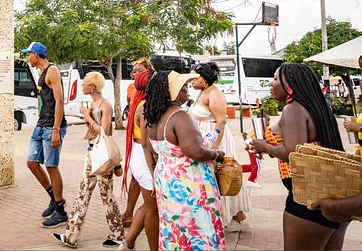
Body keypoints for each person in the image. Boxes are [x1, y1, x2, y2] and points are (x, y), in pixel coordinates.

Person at [248, 63, 349, 250]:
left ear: (290, 85)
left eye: (276, 78)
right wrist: (268, 144)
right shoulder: (317, 108)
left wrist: (263, 145)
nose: (272, 84)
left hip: (308, 200)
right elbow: (305, 146)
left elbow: (294, 153)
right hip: (332, 193)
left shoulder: (292, 109)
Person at [144, 70, 226, 250]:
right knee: (197, 229)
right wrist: (216, 154)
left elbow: (151, 149)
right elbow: (195, 151)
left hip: (166, 179)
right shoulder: (180, 116)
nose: (187, 89)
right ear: (172, 92)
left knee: (176, 229)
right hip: (188, 182)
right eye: (183, 87)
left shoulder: (154, 117)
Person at [52, 72, 124, 248]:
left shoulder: (105, 105)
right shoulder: (93, 104)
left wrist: (87, 116)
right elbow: (93, 130)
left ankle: (118, 235)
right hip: (92, 151)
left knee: (106, 196)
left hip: (101, 155)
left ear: (92, 87)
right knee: (83, 193)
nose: (82, 86)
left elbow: (104, 132)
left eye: (84, 84)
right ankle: (71, 236)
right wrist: (88, 116)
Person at [190, 62, 251, 231]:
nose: (191, 81)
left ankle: (227, 215)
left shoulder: (214, 93)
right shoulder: (202, 92)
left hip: (216, 138)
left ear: (205, 78)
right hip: (204, 137)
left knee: (219, 174)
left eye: (195, 78)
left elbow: (221, 121)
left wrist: (215, 148)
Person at [23, 41, 69, 228]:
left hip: (52, 127)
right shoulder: (41, 73)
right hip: (41, 125)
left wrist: (56, 130)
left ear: (36, 55)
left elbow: (59, 102)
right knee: (32, 163)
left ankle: (61, 212)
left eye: (29, 54)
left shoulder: (52, 71)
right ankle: (54, 198)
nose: (28, 57)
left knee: (51, 167)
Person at [122, 78, 159, 251]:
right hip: (143, 157)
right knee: (153, 209)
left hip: (139, 155)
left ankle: (129, 241)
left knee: (149, 205)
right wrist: (153, 171)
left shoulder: (140, 102)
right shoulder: (144, 106)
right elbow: (146, 144)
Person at [121, 58, 154, 227]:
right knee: (151, 202)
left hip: (142, 142)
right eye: (134, 71)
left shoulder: (150, 91)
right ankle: (130, 215)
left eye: (139, 70)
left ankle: (129, 216)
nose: (135, 73)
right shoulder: (132, 89)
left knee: (138, 179)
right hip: (140, 142)